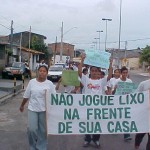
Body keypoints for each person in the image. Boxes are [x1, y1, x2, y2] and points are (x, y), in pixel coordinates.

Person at [78, 53, 113, 148]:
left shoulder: (101, 81)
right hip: (87, 107)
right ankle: (87, 139)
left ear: (98, 72)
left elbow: (109, 75)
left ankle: (96, 139)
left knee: (97, 124)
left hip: (98, 107)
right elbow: (79, 72)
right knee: (87, 123)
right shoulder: (86, 80)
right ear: (90, 72)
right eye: (92, 70)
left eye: (96, 71)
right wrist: (82, 60)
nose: (94, 72)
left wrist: (110, 64)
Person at [19, 64, 56, 150]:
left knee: (43, 131)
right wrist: (22, 105)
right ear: (37, 72)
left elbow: (55, 98)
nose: (42, 73)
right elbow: (26, 95)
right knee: (31, 129)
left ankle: (41, 147)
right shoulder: (32, 82)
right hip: (33, 109)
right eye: (40, 71)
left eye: (44, 71)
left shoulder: (49, 84)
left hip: (44, 110)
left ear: (47, 73)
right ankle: (32, 146)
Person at [114, 66, 132, 141]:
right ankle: (115, 127)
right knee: (117, 117)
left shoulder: (129, 81)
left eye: (126, 73)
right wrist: (115, 88)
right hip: (118, 102)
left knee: (126, 118)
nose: (125, 74)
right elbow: (114, 91)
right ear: (121, 73)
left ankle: (126, 135)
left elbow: (132, 92)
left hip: (126, 102)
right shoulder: (117, 81)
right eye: (123, 73)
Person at [134, 79, 150, 150]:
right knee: (140, 134)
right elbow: (136, 96)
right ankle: (136, 145)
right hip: (144, 114)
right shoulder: (143, 84)